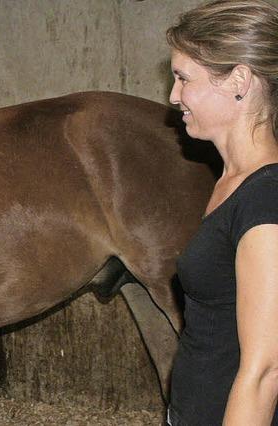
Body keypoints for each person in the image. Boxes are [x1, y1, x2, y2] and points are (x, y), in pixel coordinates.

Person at [166, 1, 278, 424]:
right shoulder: (233, 181)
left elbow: (266, 369)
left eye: (183, 79)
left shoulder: (265, 199)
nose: (174, 96)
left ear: (239, 80)